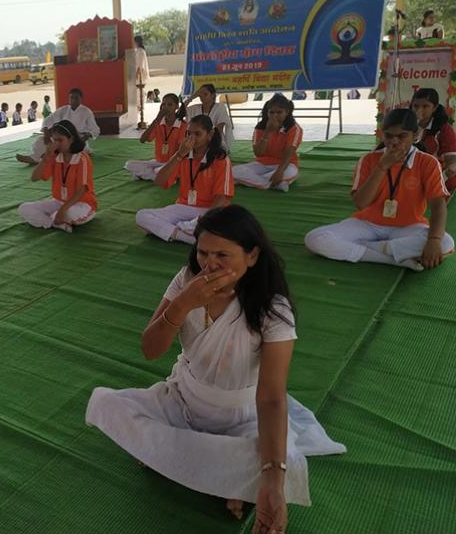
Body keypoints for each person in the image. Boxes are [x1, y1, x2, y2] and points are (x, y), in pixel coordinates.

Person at [87, 205, 346, 529]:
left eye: (223, 255)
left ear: (251, 256)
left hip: (242, 417)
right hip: (182, 401)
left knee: (282, 465)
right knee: (108, 405)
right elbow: (150, 350)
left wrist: (273, 483)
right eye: (203, 253)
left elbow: (270, 398)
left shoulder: (272, 309)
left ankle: (183, 462)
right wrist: (182, 304)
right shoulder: (186, 281)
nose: (209, 265)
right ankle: (221, 479)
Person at [305, 109, 454, 270]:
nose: (394, 142)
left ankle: (370, 248)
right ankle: (389, 258)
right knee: (315, 239)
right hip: (367, 224)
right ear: (383, 135)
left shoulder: (428, 162)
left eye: (402, 136)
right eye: (389, 136)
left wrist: (433, 240)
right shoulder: (369, 160)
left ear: (415, 135)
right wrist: (382, 167)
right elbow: (361, 203)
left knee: (445, 242)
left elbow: (438, 206)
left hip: (409, 226)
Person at [135, 115, 234, 244]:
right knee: (142, 216)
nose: (192, 138)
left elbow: (221, 198)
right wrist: (179, 154)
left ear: (210, 134)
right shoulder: (183, 155)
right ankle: (188, 237)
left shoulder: (220, 159)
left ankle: (179, 229)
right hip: (184, 207)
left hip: (210, 210)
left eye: (197, 134)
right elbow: (159, 181)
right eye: (189, 133)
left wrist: (203, 220)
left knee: (220, 224)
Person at [18, 120, 96, 233]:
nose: (57, 144)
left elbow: (81, 190)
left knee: (64, 214)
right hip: (58, 201)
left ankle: (52, 220)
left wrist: (62, 211)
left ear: (71, 139)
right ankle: (54, 223)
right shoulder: (54, 157)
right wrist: (46, 158)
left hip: (82, 204)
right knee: (24, 208)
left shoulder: (82, 159)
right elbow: (34, 178)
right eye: (54, 140)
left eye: (60, 140)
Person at [232, 95, 302, 192]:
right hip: (263, 163)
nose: (275, 116)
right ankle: (270, 184)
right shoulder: (260, 127)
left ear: (287, 112)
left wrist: (280, 171)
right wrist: (267, 132)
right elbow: (258, 153)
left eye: (279, 112)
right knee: (233, 171)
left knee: (289, 173)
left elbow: (289, 153)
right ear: (267, 112)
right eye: (271, 112)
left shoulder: (294, 128)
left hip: (286, 165)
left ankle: (251, 181)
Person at [16, 88, 100, 165]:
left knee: (70, 151)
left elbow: (95, 129)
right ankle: (34, 158)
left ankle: (85, 151)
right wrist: (46, 134)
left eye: (76, 98)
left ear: (81, 99)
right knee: (40, 140)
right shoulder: (63, 110)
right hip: (61, 138)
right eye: (71, 98)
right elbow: (48, 120)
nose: (73, 100)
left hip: (77, 139)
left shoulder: (86, 112)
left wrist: (86, 135)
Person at [124, 93, 187, 181]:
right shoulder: (158, 123)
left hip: (173, 163)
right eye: (164, 104)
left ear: (176, 107)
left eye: (170, 105)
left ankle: (150, 175)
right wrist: (157, 119)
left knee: (160, 170)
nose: (166, 107)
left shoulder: (182, 125)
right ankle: (163, 177)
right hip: (158, 162)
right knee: (129, 164)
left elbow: (182, 150)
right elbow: (143, 139)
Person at [411, 88, 456, 192]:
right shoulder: (406, 125)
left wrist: (441, 178)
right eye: (416, 106)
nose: (419, 110)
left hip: (438, 180)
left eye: (425, 106)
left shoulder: (444, 128)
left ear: (434, 108)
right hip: (411, 177)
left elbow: (452, 162)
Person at [186, 83, 234, 151]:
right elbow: (180, 111)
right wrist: (193, 96)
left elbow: (219, 129)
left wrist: (205, 141)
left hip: (215, 142)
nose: (202, 97)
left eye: (205, 94)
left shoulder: (220, 107)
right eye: (200, 94)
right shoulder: (195, 108)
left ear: (213, 95)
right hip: (197, 142)